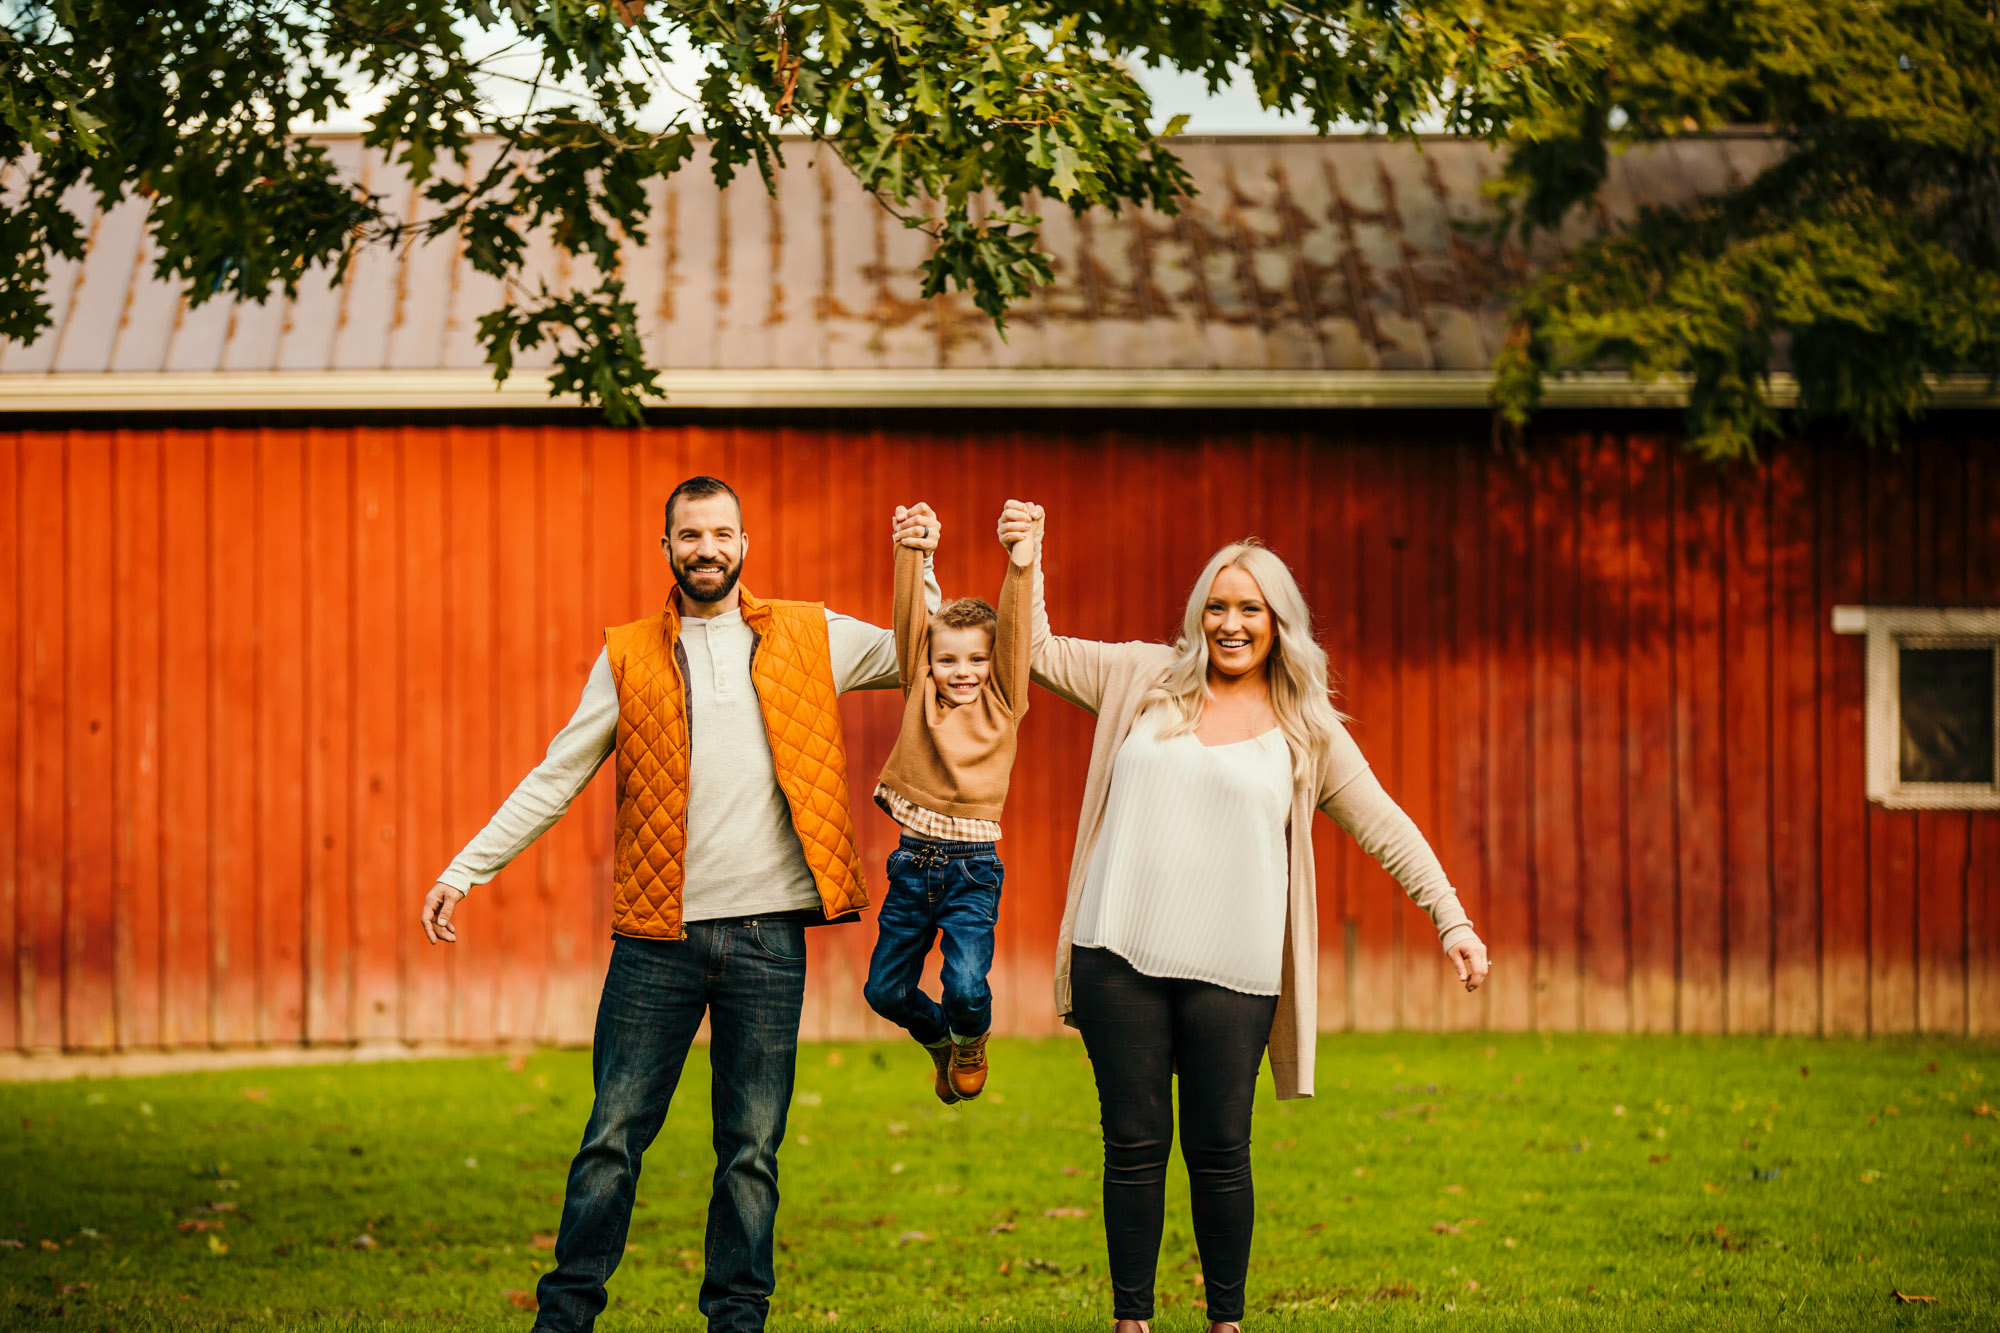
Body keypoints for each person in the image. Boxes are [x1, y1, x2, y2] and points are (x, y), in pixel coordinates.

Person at [417, 477, 942, 1333]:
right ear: (664, 546)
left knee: (750, 1152)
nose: (707, 548)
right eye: (690, 534)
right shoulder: (626, 653)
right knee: (611, 1140)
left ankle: (737, 1320)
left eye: (722, 533)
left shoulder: (811, 635)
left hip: (771, 936)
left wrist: (917, 562)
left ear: (745, 542)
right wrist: (465, 867)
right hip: (657, 936)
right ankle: (565, 1317)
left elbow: (919, 653)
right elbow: (558, 771)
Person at [1007, 501, 1491, 1333]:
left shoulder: (1307, 729)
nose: (1231, 624)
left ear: (1278, 625)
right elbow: (1037, 651)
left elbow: (1385, 823)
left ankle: (1225, 1322)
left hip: (1234, 970)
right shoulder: (1141, 677)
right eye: (1218, 605)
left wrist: (1451, 917)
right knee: (1133, 1145)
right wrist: (1025, 561)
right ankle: (1132, 1322)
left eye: (1250, 609)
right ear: (1200, 612)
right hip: (1116, 951)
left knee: (1221, 1150)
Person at [861, 503, 1035, 1103]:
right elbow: (913, 618)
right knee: (883, 992)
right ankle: (938, 1039)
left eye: (977, 660)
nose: (962, 672)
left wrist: (1021, 563)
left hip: (973, 871)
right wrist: (912, 550)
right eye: (948, 660)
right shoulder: (921, 691)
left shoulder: (1005, 700)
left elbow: (1013, 629)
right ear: (928, 664)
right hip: (913, 867)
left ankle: (970, 1036)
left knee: (964, 986)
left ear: (995, 664)